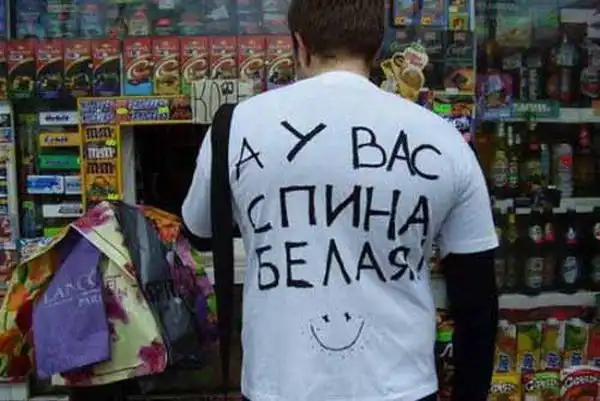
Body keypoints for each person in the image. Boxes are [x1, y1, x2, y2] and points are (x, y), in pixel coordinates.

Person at [182, 0, 499, 400]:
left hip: (279, 387)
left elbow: (200, 231)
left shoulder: (235, 128)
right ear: (378, 48)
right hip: (401, 387)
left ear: (299, 45)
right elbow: (477, 300)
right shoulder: (443, 140)